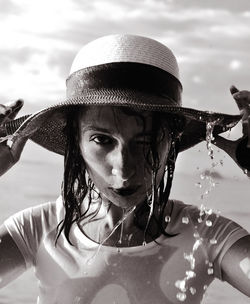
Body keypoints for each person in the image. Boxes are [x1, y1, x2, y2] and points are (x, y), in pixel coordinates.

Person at [0, 34, 250, 304]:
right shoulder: (37, 230)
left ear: (172, 140)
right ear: (75, 141)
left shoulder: (208, 236)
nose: (124, 168)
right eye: (102, 140)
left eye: (146, 141)